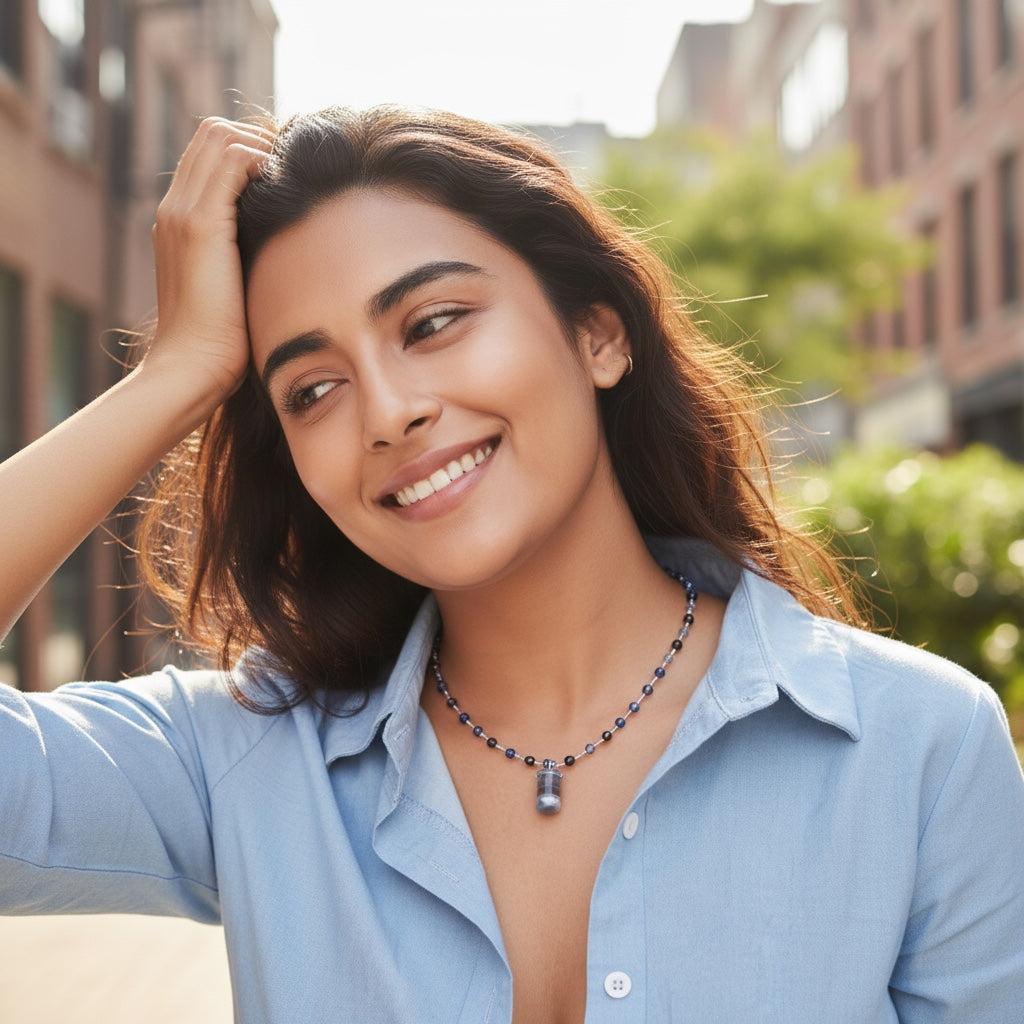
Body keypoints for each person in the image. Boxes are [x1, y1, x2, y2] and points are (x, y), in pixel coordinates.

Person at [1, 106, 1022, 1024]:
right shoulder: (247, 762)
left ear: (596, 334)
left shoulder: (920, 750)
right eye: (313, 388)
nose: (390, 408)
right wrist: (172, 376)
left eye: (433, 323)